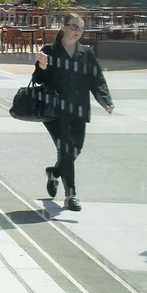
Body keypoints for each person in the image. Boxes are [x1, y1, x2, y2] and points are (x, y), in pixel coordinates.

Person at [35, 13, 113, 212]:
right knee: (67, 150)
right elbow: (38, 79)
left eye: (81, 28)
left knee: (76, 149)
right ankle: (71, 195)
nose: (78, 32)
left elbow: (97, 79)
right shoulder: (49, 50)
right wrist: (42, 66)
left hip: (79, 109)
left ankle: (54, 173)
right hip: (55, 110)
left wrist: (105, 101)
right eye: (74, 27)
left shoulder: (86, 53)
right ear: (63, 27)